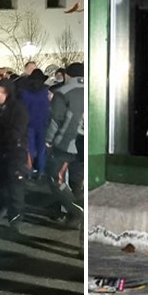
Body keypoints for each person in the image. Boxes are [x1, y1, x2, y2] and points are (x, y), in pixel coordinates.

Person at [45, 61, 85, 227]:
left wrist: (48, 140)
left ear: (67, 75)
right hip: (84, 143)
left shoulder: (63, 92)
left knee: (57, 179)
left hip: (66, 143)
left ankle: (79, 212)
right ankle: (76, 218)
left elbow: (56, 119)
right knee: (77, 180)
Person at [0, 79, 29, 230]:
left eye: (2, 93)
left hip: (15, 150)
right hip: (0, 150)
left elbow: (17, 131)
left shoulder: (18, 109)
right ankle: (3, 205)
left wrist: (5, 138)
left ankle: (16, 216)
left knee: (15, 184)